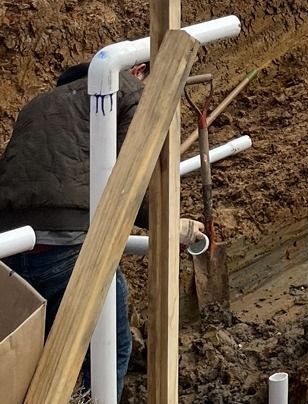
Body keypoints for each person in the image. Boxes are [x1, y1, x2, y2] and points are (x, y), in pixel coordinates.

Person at [0, 61, 203, 400]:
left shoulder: (40, 103)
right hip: (66, 247)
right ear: (139, 69)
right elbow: (131, 179)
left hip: (10, 249)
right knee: (109, 352)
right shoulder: (129, 89)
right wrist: (171, 224)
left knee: (38, 363)